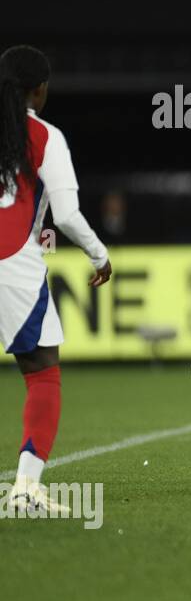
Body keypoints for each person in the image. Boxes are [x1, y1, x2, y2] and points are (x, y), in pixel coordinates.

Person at [0, 45, 112, 513]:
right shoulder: (44, 136)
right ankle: (26, 489)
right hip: (12, 265)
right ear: (39, 90)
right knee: (43, 373)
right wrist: (98, 254)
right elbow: (65, 214)